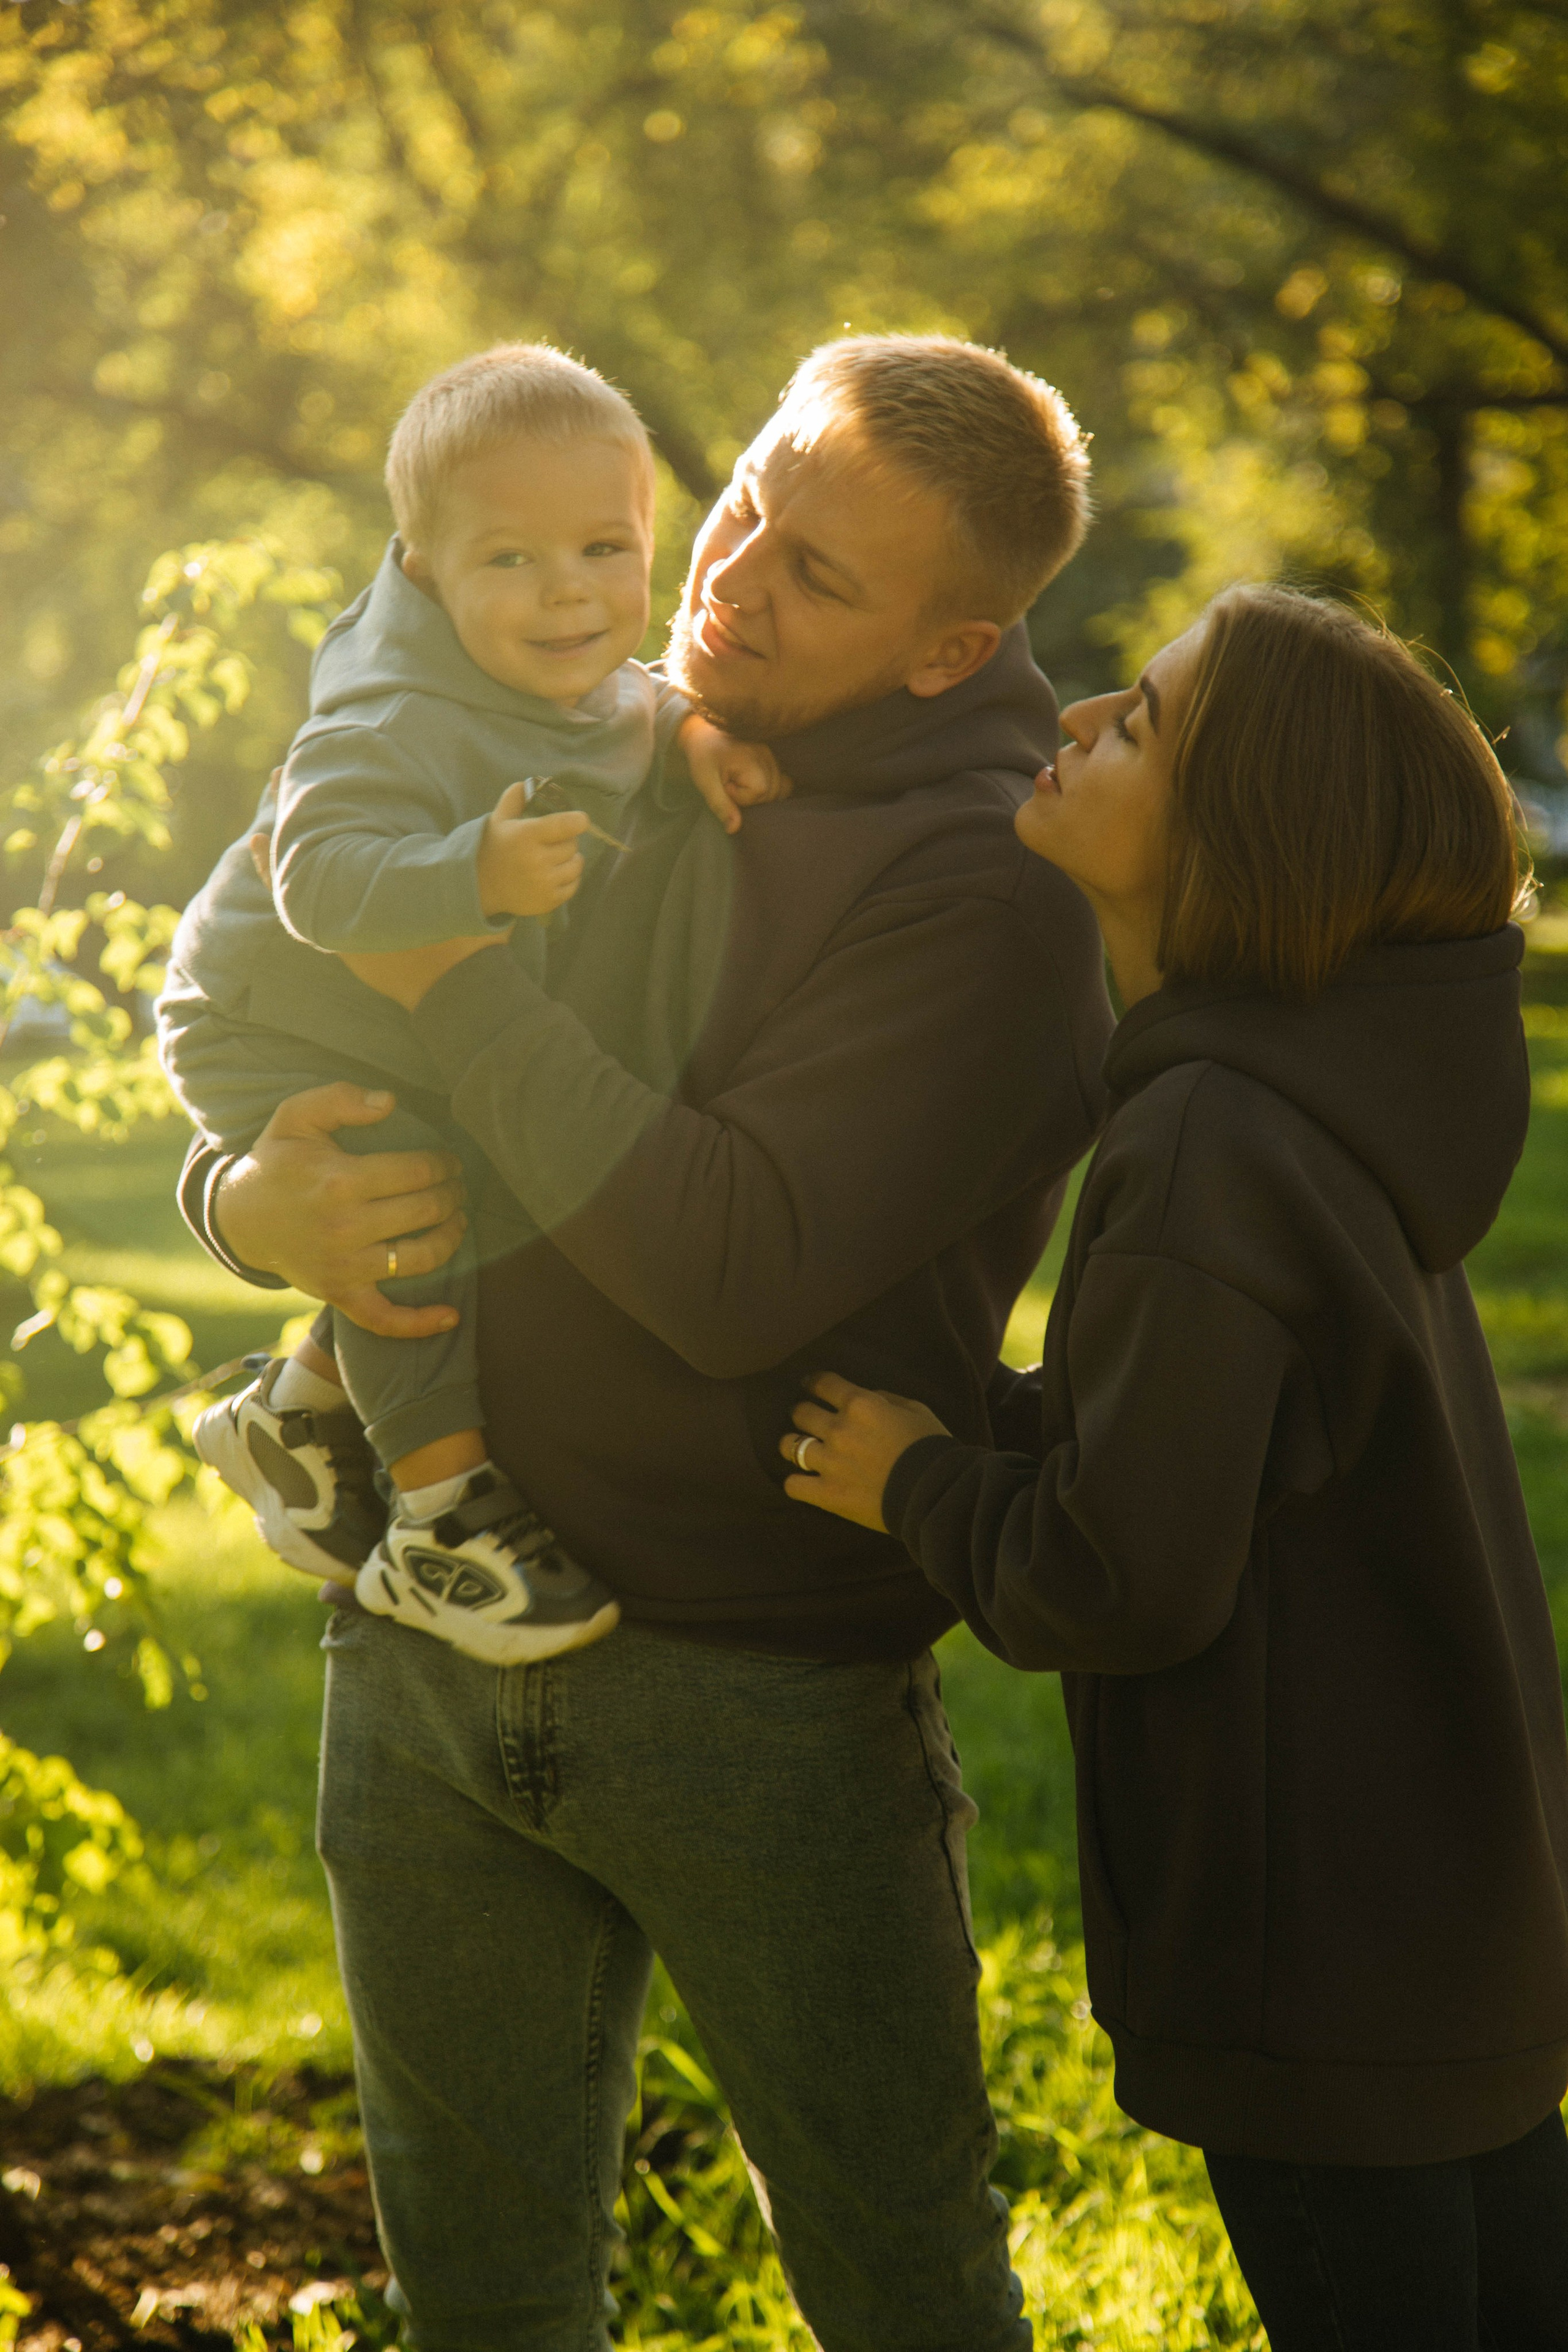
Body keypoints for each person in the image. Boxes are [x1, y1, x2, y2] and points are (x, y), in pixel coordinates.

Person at [176, 334, 1112, 2351]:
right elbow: (279, 949)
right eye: (748, 498)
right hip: (430, 1631)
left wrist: (445, 970)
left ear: (948, 651)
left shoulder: (990, 891)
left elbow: (725, 1266)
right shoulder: (585, 705)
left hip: (751, 1692)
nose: (726, 579)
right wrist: (242, 1205)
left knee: (903, 2287)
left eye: (817, 576)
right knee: (480, 2297)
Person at [783, 583, 1568, 2350]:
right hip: (1456, 1915)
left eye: (1138, 721)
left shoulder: (1207, 1135)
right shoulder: (1336, 1103)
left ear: (1240, 832)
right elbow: (1234, 1444)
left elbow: (1122, 1575)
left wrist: (912, 1480)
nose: (1072, 721)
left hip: (1310, 1959)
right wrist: (994, 1419)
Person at [158, 342, 785, 1665]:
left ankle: (294, 1415)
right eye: (511, 558)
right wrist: (470, 876)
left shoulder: (560, 670)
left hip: (376, 1017)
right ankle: (442, 1522)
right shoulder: (385, 715)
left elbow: (629, 696)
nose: (569, 591)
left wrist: (689, 731)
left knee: (479, 1169)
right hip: (273, 1015)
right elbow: (315, 879)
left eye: (606, 549)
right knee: (404, 1202)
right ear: (426, 566)